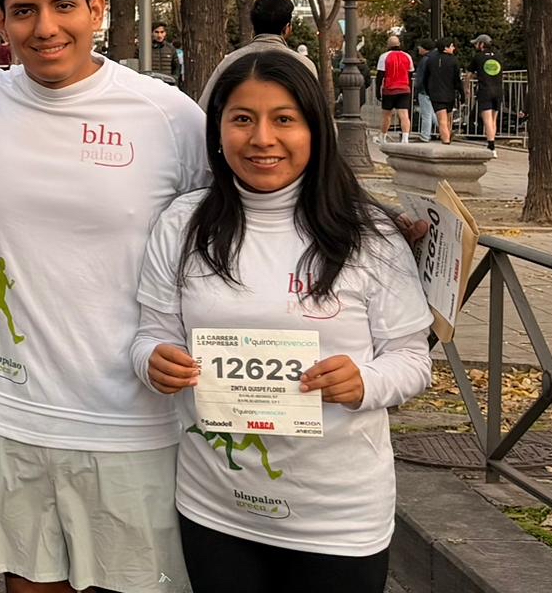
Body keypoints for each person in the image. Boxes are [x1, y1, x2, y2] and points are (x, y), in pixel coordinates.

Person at [0, 0, 207, 593]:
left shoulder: (170, 117)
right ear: (0, 22)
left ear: (97, 10)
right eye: (24, 11)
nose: (46, 27)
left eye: (63, 6)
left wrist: (376, 228)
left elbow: (243, 221)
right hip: (6, 416)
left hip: (133, 423)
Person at [134, 50, 432, 592]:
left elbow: (412, 359)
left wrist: (364, 381)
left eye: (284, 119)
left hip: (337, 518)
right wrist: (154, 361)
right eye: (242, 119)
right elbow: (152, 334)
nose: (262, 138)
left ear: (315, 129)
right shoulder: (183, 223)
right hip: (216, 506)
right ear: (217, 130)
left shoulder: (370, 234)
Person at [196, 0, 315, 111]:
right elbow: (316, 112)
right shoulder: (304, 65)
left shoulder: (230, 62)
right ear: (287, 28)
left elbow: (203, 110)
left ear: (254, 27)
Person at [421, 38, 463, 144]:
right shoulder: (454, 60)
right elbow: (457, 80)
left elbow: (425, 78)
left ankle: (446, 140)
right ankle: (447, 139)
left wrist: (428, 91)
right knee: (448, 119)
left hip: (436, 93)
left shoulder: (431, 60)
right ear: (446, 48)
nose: (453, 48)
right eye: (451, 46)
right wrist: (461, 93)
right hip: (449, 93)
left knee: (442, 120)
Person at [377, 37, 414, 142]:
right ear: (399, 44)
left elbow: (380, 75)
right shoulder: (407, 56)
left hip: (389, 89)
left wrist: (378, 91)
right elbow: (410, 73)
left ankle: (383, 136)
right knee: (404, 115)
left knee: (386, 115)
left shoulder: (384, 56)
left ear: (388, 45)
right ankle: (405, 138)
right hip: (404, 89)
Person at [472, 35, 503, 154]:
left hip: (485, 90)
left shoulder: (478, 57)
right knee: (494, 119)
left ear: (482, 44)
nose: (475, 46)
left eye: (476, 43)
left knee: (487, 120)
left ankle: (491, 146)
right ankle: (492, 142)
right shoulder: (498, 56)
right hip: (498, 90)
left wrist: (467, 86)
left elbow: (470, 73)